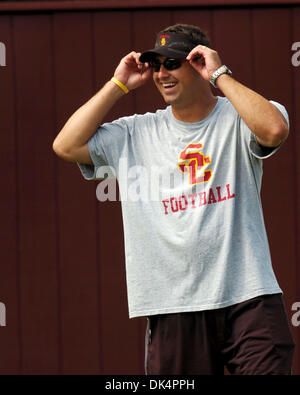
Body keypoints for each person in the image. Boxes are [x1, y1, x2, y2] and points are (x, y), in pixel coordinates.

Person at [53, 24, 295, 375]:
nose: (162, 73)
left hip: (249, 297)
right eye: (157, 65)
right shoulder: (136, 131)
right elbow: (65, 145)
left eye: (173, 63)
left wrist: (220, 74)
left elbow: (274, 129)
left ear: (198, 64)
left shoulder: (238, 117)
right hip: (173, 304)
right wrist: (118, 85)